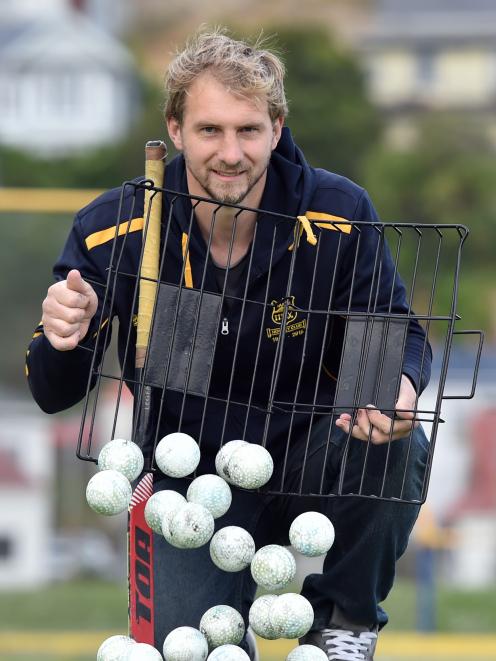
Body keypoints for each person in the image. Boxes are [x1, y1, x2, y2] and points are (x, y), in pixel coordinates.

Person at [27, 29, 431, 661]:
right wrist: (63, 338)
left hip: (310, 452)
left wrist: (395, 391)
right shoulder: (114, 228)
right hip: (186, 477)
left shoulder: (338, 211)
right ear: (176, 129)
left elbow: (390, 329)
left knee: (399, 444)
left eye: (248, 130)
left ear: (276, 128)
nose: (230, 153)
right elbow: (54, 393)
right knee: (185, 648)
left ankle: (345, 621)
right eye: (210, 130)